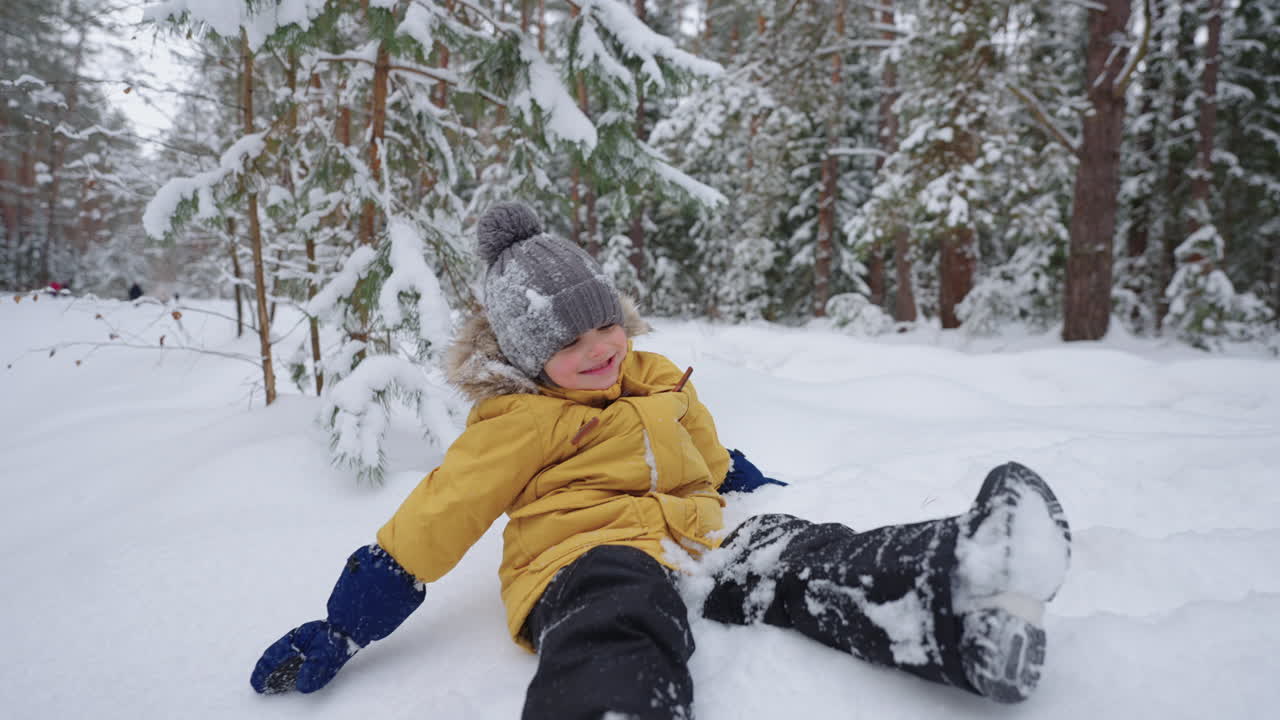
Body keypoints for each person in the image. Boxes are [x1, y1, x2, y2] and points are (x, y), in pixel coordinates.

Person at [250, 203, 1072, 717]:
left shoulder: (654, 376)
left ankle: (959, 595)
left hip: (695, 539)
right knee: (620, 608)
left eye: (604, 325)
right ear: (530, 358)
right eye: (568, 342)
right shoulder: (518, 422)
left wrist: (741, 484)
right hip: (579, 560)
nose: (599, 349)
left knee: (798, 551)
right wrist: (345, 622)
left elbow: (702, 446)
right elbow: (439, 514)